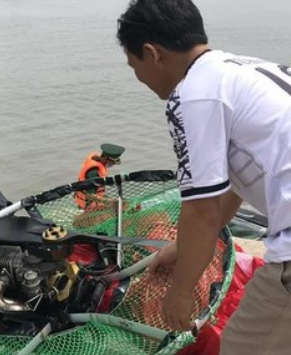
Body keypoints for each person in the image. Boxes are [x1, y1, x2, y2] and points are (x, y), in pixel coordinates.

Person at [116, 1, 291, 354]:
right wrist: (182, 249)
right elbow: (236, 182)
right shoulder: (248, 70)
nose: (140, 79)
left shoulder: (192, 95)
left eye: (135, 67)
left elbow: (202, 210)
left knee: (242, 346)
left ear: (152, 54)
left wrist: (180, 292)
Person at [74, 143, 125, 209]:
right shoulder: (93, 172)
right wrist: (109, 202)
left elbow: (100, 180)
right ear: (106, 159)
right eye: (112, 162)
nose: (113, 165)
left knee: (123, 204)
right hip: (87, 202)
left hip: (98, 196)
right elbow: (89, 195)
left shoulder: (99, 160)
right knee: (119, 207)